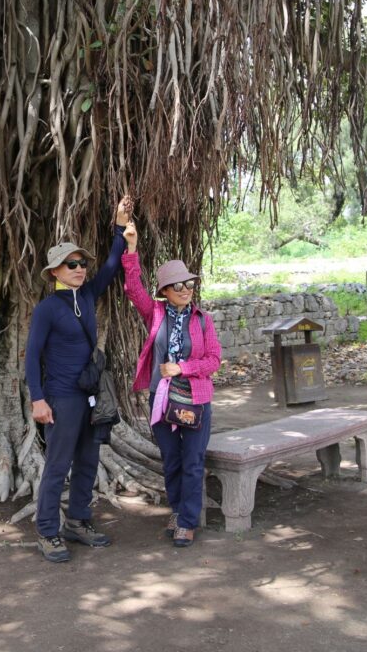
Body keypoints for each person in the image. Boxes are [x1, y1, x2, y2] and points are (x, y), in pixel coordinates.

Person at [24, 195, 133, 563]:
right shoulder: (47, 309)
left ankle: (78, 521)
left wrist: (120, 225)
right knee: (58, 464)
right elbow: (31, 356)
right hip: (61, 397)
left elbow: (114, 263)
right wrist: (38, 400)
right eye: (71, 264)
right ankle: (47, 531)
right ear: (54, 271)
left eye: (82, 263)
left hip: (90, 395)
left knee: (88, 460)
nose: (79, 268)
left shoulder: (86, 295)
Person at [121, 222, 221, 547]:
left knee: (192, 461)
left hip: (195, 399)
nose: (185, 289)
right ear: (164, 290)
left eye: (189, 283)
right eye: (177, 285)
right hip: (162, 400)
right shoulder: (156, 314)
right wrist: (132, 248)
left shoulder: (203, 320)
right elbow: (133, 289)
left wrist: (182, 367)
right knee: (172, 460)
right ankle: (178, 510)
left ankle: (188, 521)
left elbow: (214, 361)